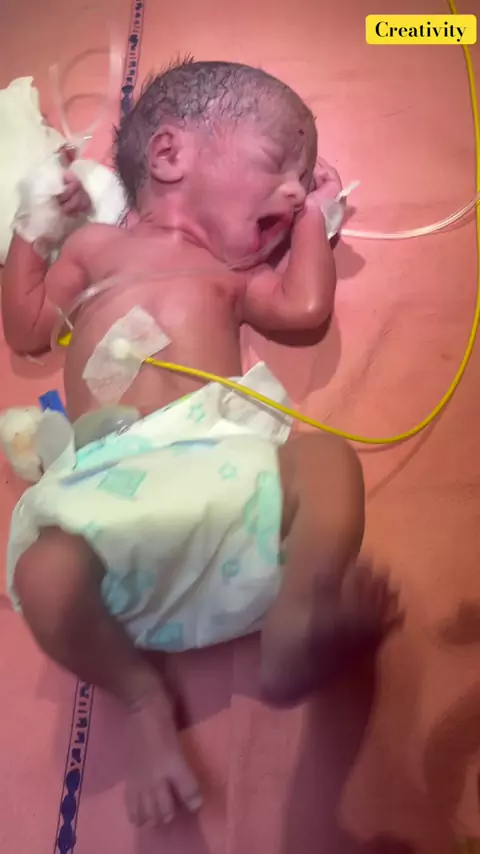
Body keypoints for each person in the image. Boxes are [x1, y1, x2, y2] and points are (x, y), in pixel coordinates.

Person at [2, 59, 400, 828]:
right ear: (169, 155)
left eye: (302, 182)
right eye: (277, 165)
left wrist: (314, 221)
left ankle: (298, 613)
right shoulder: (92, 250)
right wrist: (35, 223)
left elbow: (305, 309)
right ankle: (140, 695)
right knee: (42, 574)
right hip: (105, 481)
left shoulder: (227, 274)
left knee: (325, 461)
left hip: (218, 463)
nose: (294, 190)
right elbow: (25, 327)